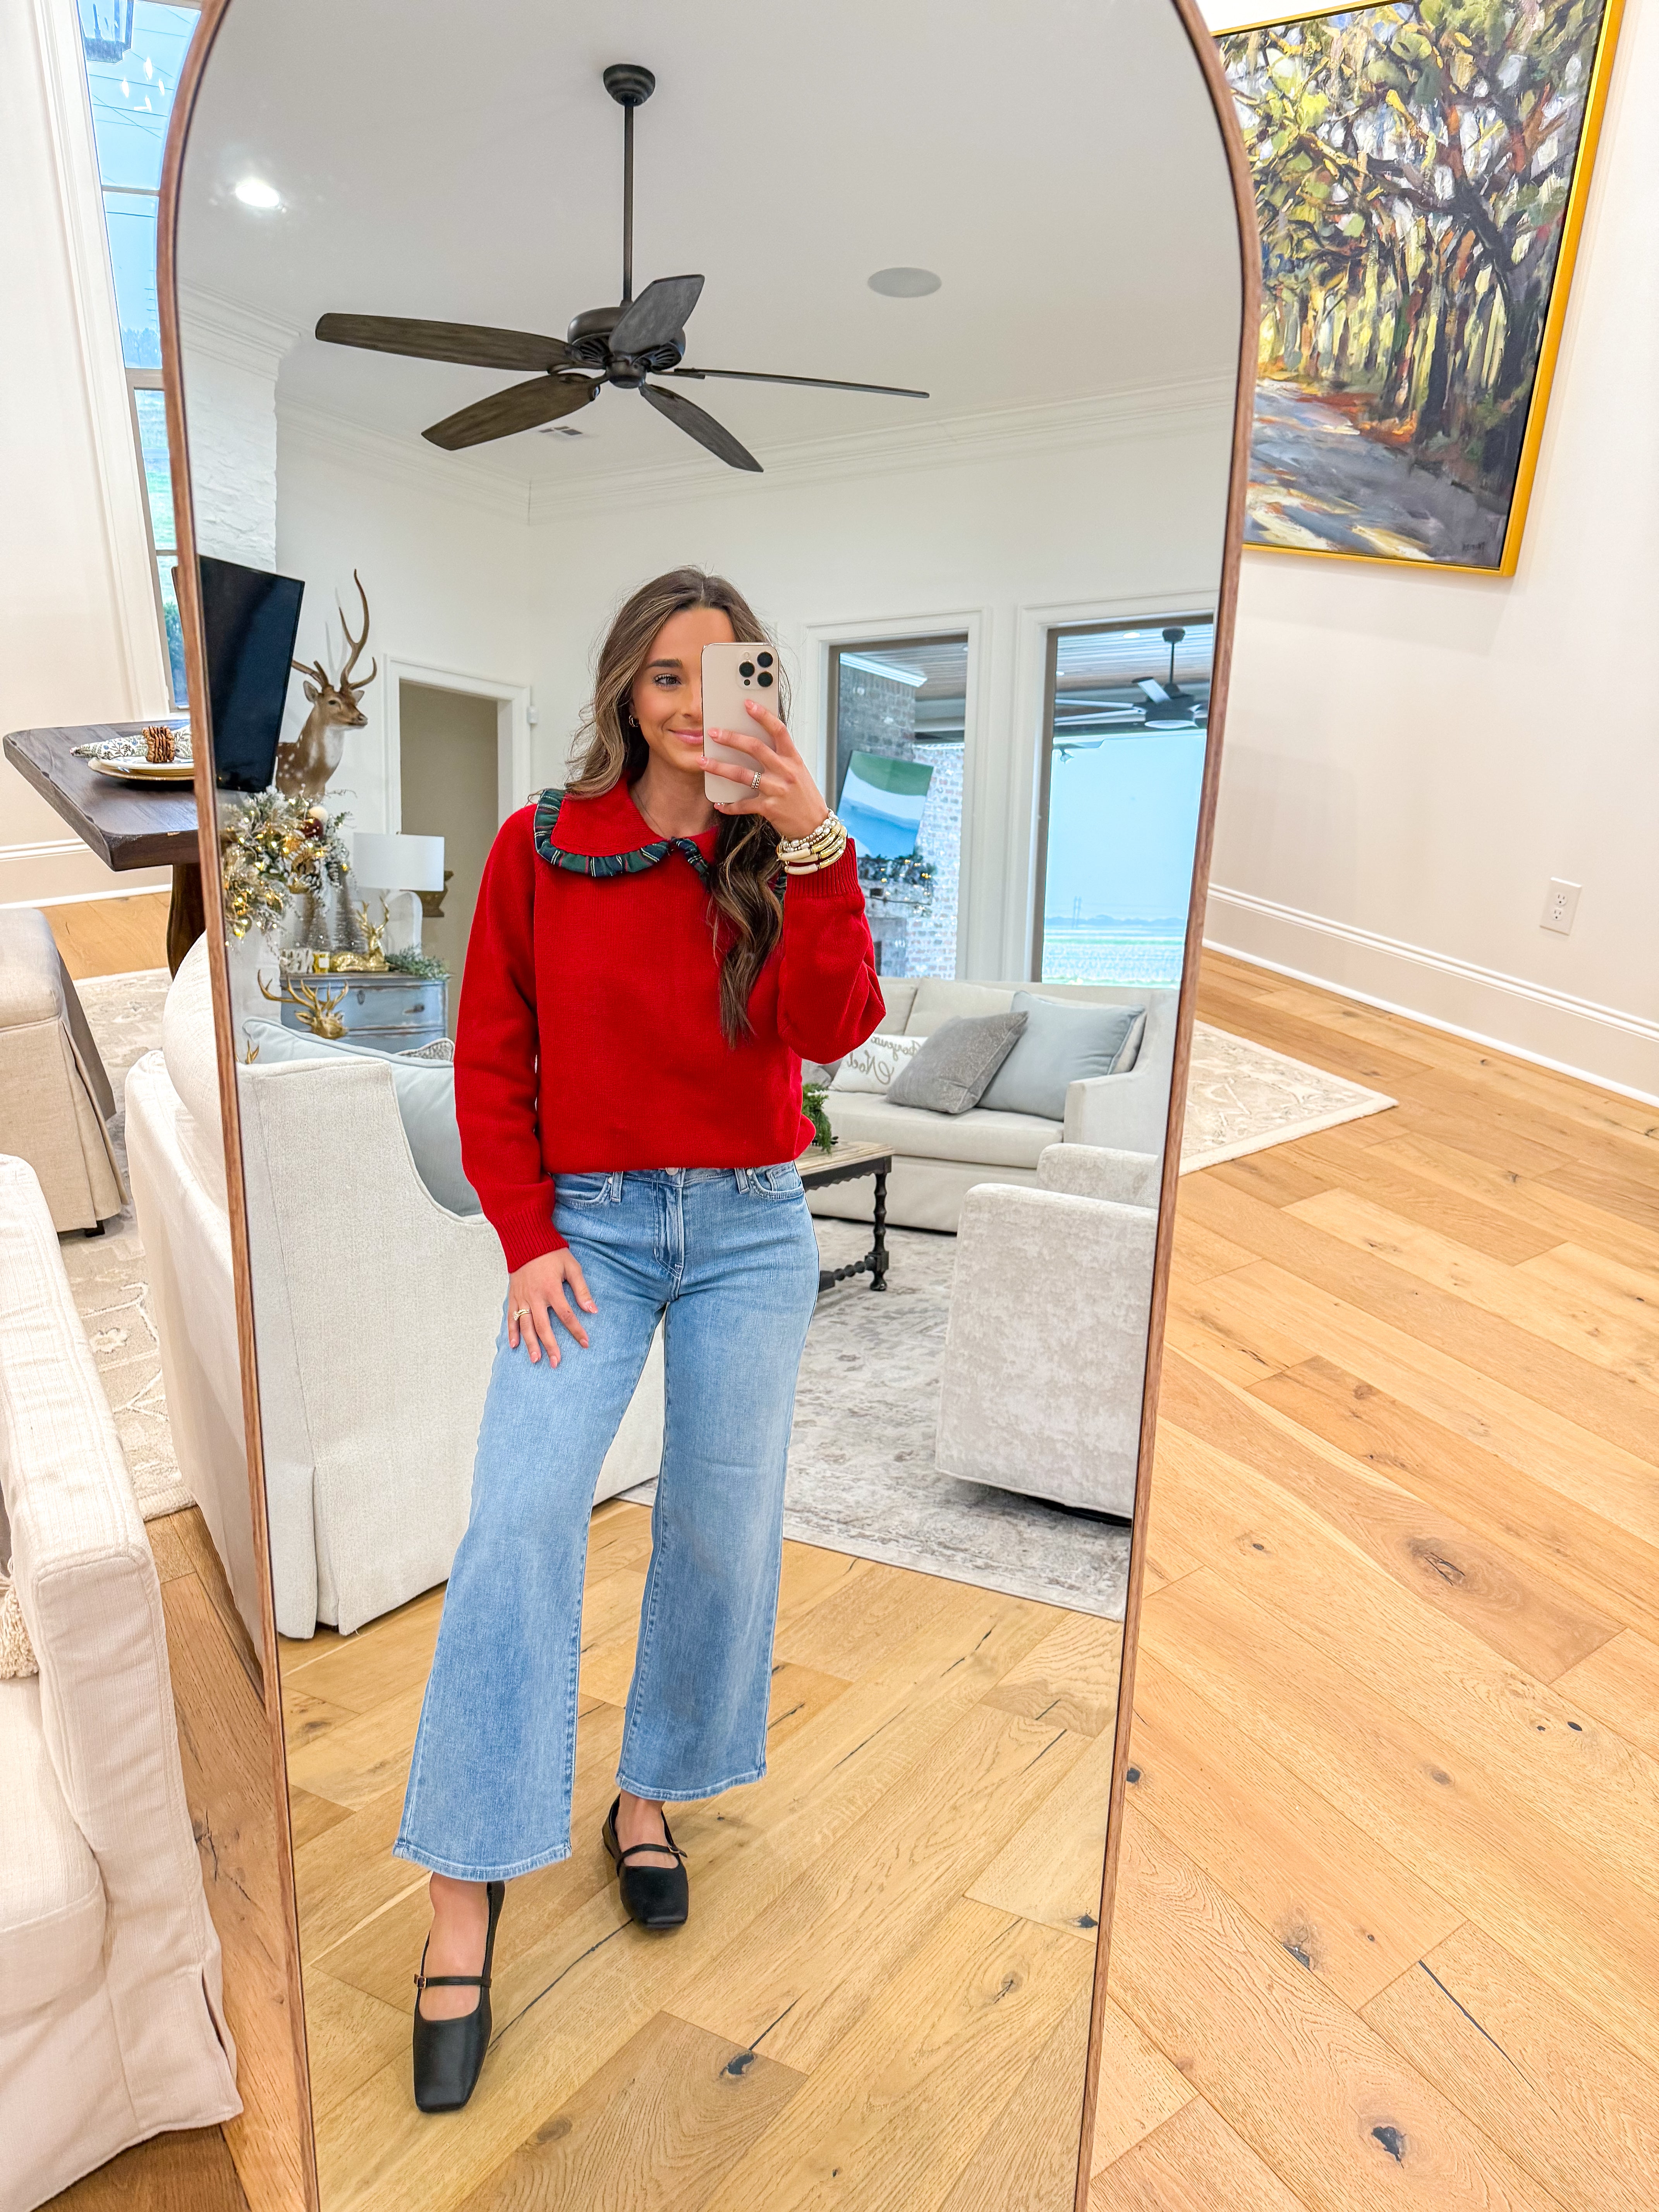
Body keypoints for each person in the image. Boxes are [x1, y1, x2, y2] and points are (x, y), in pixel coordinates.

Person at [394, 567, 883, 2112]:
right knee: (519, 1518)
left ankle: (653, 1796)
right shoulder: (543, 847)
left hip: (750, 1226)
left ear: (761, 691)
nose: (689, 704)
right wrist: (529, 1235)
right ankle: (463, 1886)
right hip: (591, 1233)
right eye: (662, 677)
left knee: (723, 1530)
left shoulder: (777, 847)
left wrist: (812, 835)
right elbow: (489, 1060)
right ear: (624, 692)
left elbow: (835, 1027)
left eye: (719, 675)